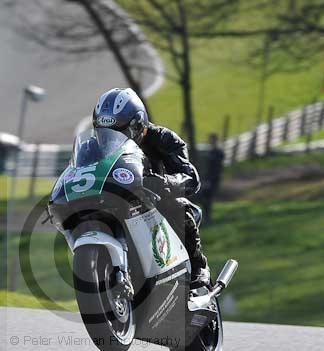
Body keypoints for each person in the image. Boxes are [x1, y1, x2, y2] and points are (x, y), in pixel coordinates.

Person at [91, 88, 210, 288]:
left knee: (178, 205)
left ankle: (199, 267)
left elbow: (191, 177)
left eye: (120, 132)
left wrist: (165, 183)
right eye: (105, 132)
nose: (112, 139)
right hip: (117, 198)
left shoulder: (164, 139)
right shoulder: (94, 147)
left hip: (154, 202)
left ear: (138, 125)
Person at [199, 133, 225, 224]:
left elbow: (216, 168)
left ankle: (208, 218)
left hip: (213, 179)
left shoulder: (218, 153)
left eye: (212, 140)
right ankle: (207, 217)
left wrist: (210, 179)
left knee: (207, 198)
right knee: (205, 197)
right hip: (208, 178)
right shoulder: (210, 152)